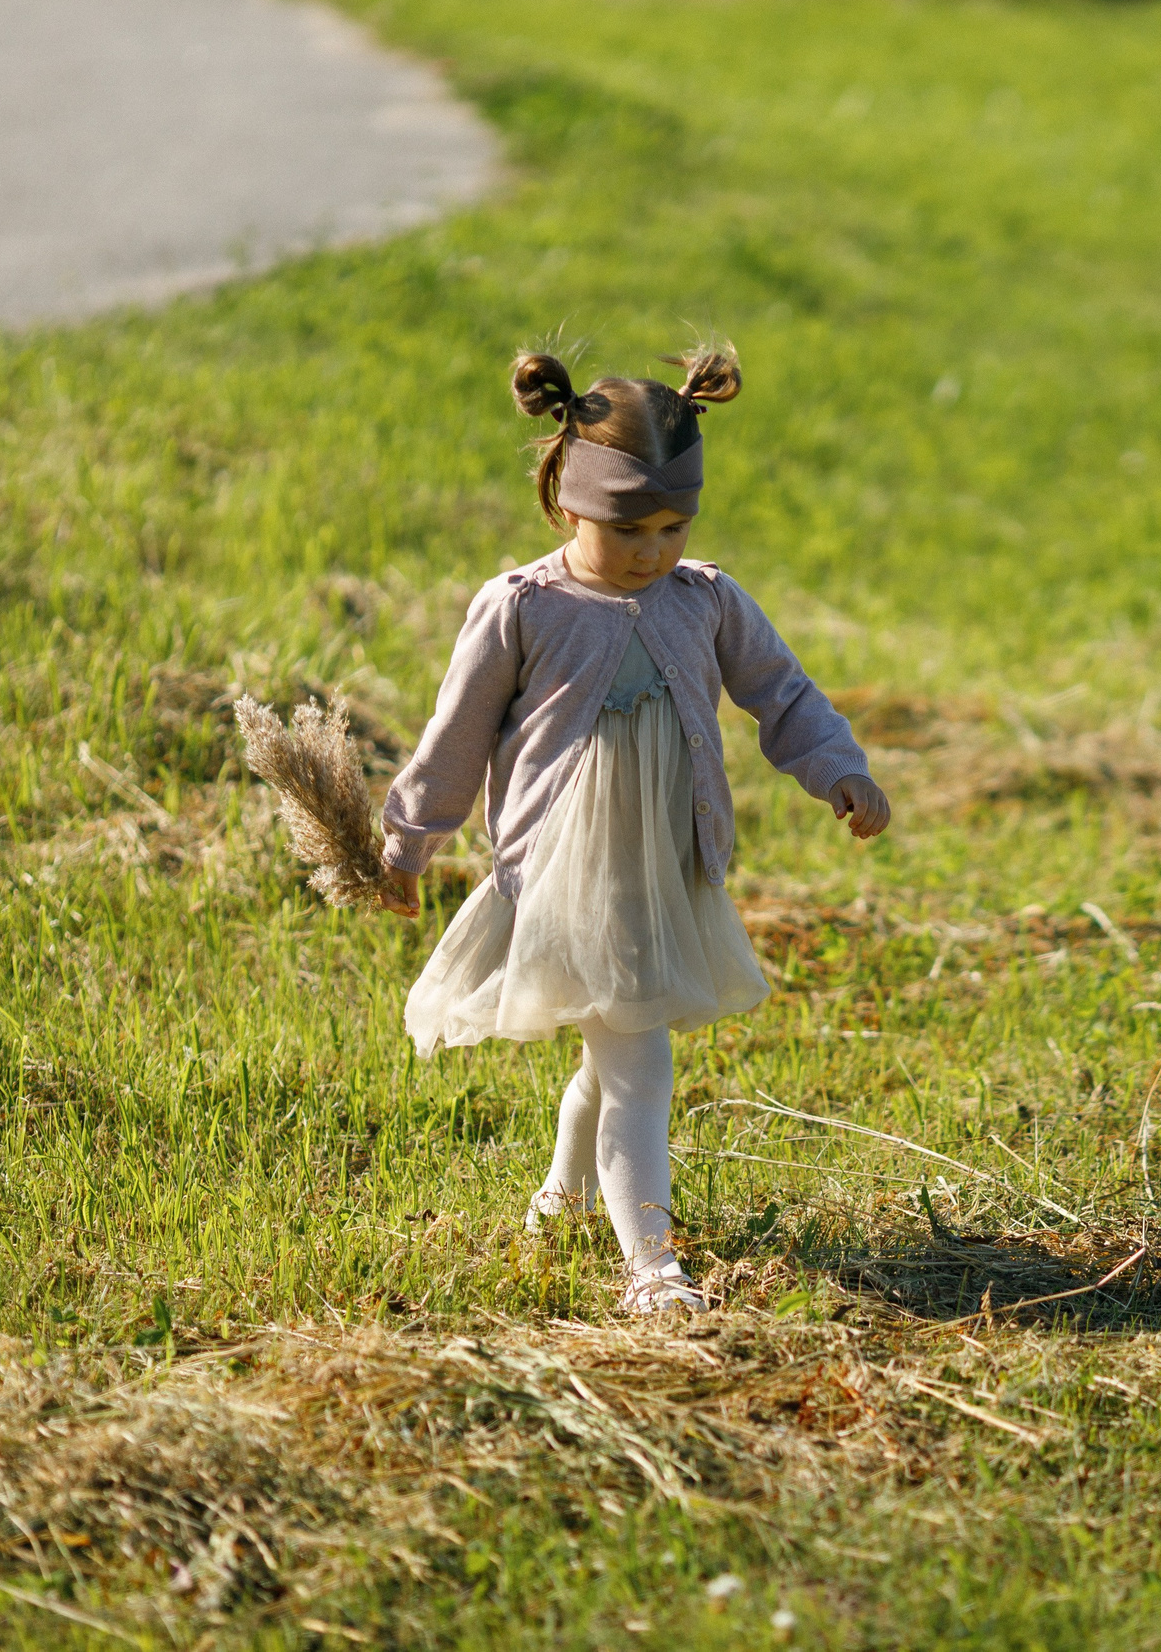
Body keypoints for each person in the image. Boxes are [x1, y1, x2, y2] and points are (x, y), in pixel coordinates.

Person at [377, 340, 889, 1312]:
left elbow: (781, 695)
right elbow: (455, 735)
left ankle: (560, 1199)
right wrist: (408, 843)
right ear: (566, 500)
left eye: (672, 527)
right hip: (564, 874)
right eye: (628, 529)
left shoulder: (705, 599)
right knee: (638, 1062)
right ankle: (649, 1267)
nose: (653, 550)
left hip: (662, 866)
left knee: (612, 1049)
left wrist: (840, 771)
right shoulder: (523, 608)